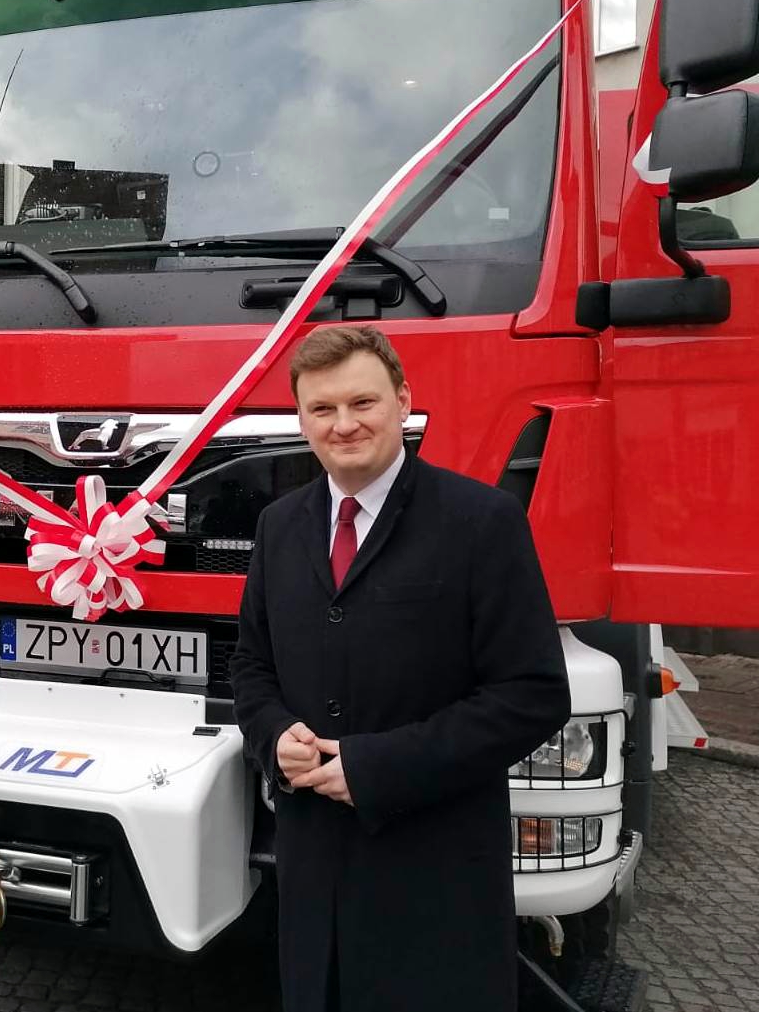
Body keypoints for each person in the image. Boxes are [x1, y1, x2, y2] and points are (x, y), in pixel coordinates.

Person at [230, 325, 570, 1012]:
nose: (343, 424)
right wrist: (273, 737)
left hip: (433, 876)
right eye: (322, 408)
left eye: (363, 402)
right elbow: (250, 666)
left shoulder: (482, 520)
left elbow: (532, 693)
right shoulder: (278, 525)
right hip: (313, 875)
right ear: (301, 418)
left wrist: (376, 767)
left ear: (403, 401)